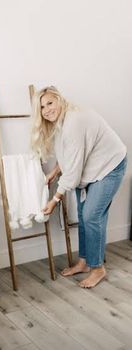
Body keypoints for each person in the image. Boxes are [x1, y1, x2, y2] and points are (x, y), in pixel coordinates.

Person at [31, 86, 127, 288]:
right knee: (85, 215)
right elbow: (68, 153)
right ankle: (84, 261)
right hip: (90, 168)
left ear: (59, 99)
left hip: (110, 166)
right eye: (42, 107)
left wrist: (54, 200)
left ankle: (97, 268)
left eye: (50, 102)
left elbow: (73, 173)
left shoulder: (74, 121)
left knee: (92, 216)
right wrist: (56, 171)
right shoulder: (60, 122)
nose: (47, 109)